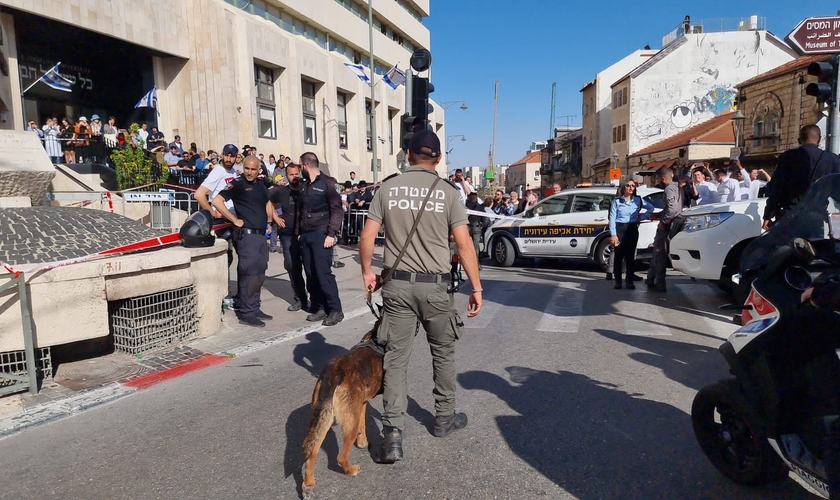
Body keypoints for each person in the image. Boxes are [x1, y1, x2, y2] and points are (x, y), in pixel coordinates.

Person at [359, 129, 482, 463]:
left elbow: (367, 235)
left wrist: (368, 272)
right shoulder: (449, 192)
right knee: (442, 352)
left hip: (398, 286)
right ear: (439, 159)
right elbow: (464, 243)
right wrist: (476, 286)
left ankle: (393, 435)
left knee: (396, 357)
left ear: (408, 155)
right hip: (436, 287)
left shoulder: (388, 188)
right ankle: (444, 418)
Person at [212, 156, 277, 327]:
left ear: (258, 170)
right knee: (248, 273)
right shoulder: (237, 184)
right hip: (246, 236)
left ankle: (254, 307)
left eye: (253, 169)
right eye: (247, 168)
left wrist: (269, 222)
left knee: (260, 273)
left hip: (261, 235)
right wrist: (233, 219)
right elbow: (217, 201)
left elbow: (267, 203)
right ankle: (246, 312)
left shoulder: (261, 186)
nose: (249, 172)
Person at [297, 152, 344, 326]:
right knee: (310, 273)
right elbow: (300, 211)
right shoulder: (304, 185)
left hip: (322, 233)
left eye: (300, 165)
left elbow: (337, 210)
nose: (299, 168)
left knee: (323, 273)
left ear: (306, 165)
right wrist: (299, 233)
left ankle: (335, 310)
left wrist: (332, 234)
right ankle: (320, 307)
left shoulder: (328, 183)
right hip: (306, 234)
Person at [763, 125, 840, 230]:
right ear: (819, 139)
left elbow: (776, 188)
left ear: (799, 140)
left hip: (789, 215)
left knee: (787, 245)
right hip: (816, 217)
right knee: (814, 245)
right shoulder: (832, 160)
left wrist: (768, 215)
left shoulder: (787, 157)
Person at [195, 144, 243, 305]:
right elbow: (199, 194)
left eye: (232, 156)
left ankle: (235, 294)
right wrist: (212, 211)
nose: (229, 159)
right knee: (225, 258)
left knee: (238, 258)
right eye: (226, 155)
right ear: (222, 155)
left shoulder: (232, 171)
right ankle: (224, 297)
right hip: (223, 222)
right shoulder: (217, 171)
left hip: (234, 221)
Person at [268, 163, 309, 312]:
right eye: (291, 174)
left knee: (310, 267)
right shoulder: (280, 192)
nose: (294, 177)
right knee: (292, 266)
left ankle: (316, 300)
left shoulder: (306, 190)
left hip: (305, 233)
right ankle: (300, 299)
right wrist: (274, 218)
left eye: (296, 174)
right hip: (287, 235)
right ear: (286, 176)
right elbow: (268, 202)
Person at [609, 180, 654, 290]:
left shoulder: (638, 200)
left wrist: (641, 218)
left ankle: (629, 281)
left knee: (630, 257)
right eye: (628, 185)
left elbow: (650, 208)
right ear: (623, 187)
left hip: (632, 228)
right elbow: (612, 218)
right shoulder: (617, 201)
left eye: (633, 186)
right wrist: (613, 234)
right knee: (618, 256)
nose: (630, 188)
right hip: (620, 228)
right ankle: (618, 281)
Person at [646, 166, 682, 292]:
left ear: (662, 178)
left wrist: (663, 221)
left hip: (668, 226)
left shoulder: (669, 189)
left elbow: (672, 209)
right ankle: (650, 279)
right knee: (657, 253)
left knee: (659, 254)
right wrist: (658, 215)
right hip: (674, 223)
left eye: (657, 178)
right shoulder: (678, 187)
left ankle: (659, 283)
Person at [465, 191, 486, 267]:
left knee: (466, 245)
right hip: (476, 228)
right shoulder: (480, 207)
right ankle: (476, 263)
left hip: (466, 228)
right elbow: (485, 218)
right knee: (476, 246)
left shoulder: (466, 206)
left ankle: (466, 263)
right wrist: (483, 224)